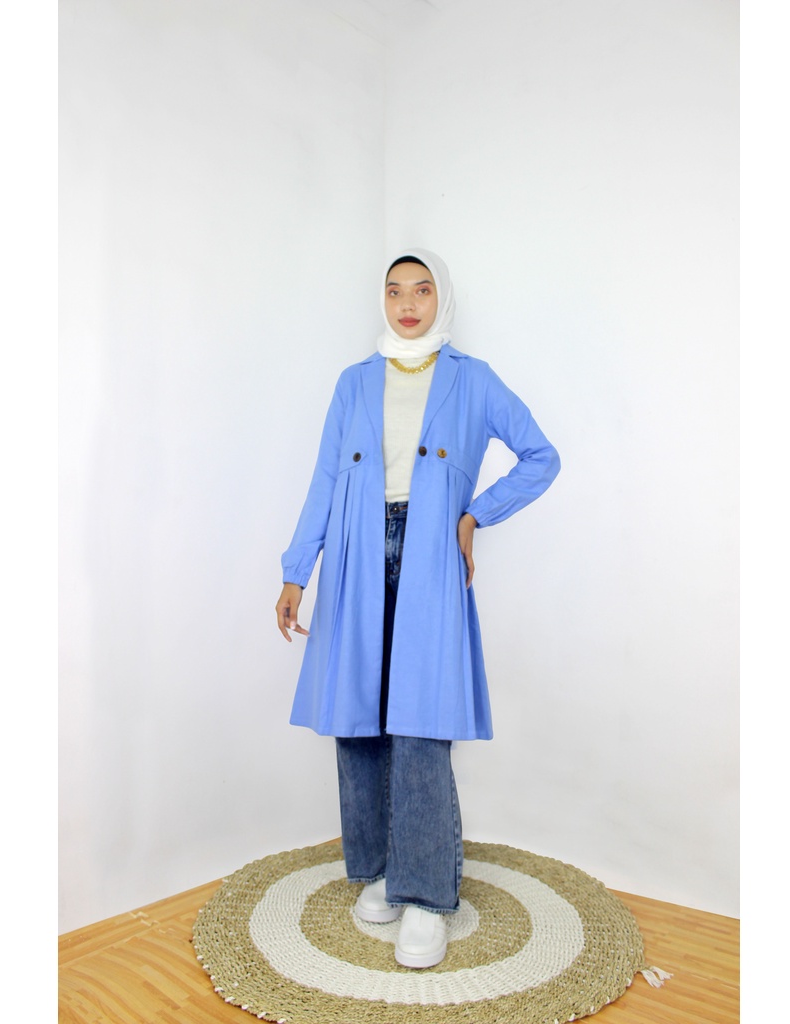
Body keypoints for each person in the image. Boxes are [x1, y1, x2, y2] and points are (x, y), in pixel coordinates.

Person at [275, 248, 559, 969]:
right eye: (396, 290)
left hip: (428, 551)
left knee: (422, 722)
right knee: (358, 718)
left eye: (422, 290)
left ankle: (429, 894)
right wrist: (296, 570)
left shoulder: (472, 378)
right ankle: (381, 871)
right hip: (355, 552)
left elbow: (541, 456)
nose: (408, 303)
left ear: (442, 298)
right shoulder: (354, 382)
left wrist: (475, 514)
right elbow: (324, 478)